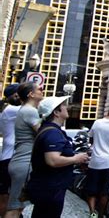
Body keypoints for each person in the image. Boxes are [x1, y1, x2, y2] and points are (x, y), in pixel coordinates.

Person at [27, 95, 89, 218]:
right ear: (56, 112)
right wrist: (76, 159)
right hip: (50, 188)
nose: (67, 107)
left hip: (50, 186)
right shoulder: (52, 133)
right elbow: (53, 160)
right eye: (63, 106)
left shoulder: (51, 130)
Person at [5, 82, 43, 218]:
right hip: (24, 163)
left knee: (19, 206)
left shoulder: (26, 110)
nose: (42, 90)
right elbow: (42, 134)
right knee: (14, 207)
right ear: (31, 94)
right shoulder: (29, 111)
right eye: (39, 89)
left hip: (22, 161)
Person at [86, 105, 109, 218]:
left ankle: (92, 213)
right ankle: (101, 215)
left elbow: (90, 138)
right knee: (105, 192)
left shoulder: (97, 123)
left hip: (95, 161)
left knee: (91, 191)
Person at [0, 84, 21, 216]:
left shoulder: (7, 109)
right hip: (11, 157)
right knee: (6, 197)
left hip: (8, 157)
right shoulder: (12, 109)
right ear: (15, 95)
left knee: (6, 195)